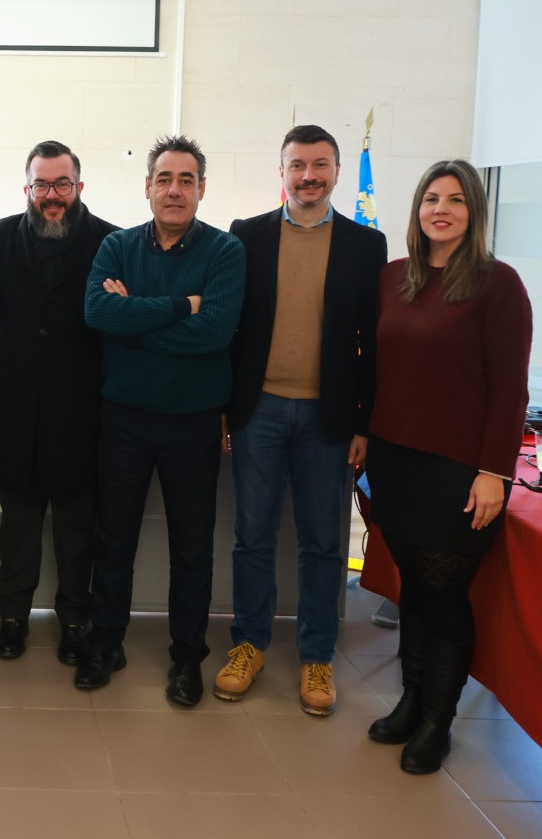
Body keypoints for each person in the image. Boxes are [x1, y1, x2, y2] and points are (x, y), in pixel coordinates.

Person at [366, 158, 532, 774]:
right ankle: (411, 701)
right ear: (418, 209)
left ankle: (438, 720)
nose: (441, 209)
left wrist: (495, 472)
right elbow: (375, 366)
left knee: (443, 593)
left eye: (456, 199)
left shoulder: (498, 284)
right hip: (394, 458)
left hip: (459, 470)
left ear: (474, 212)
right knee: (413, 587)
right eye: (431, 198)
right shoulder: (394, 277)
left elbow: (510, 389)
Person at [215, 124, 387, 715]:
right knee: (253, 537)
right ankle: (249, 644)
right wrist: (226, 410)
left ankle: (317, 654)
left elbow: (373, 342)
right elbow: (231, 328)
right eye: (297, 165)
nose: (308, 176)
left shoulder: (366, 245)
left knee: (322, 542)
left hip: (329, 417)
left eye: (320, 165)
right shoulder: (247, 235)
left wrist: (364, 424)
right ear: (282, 172)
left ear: (336, 171)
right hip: (258, 409)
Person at [76, 135, 245, 707]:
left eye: (186, 180)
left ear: (201, 189)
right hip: (123, 419)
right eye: (165, 179)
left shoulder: (224, 252)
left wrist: (133, 323)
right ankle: (106, 642)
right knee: (114, 536)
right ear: (147, 186)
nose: (175, 190)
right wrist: (181, 306)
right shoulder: (117, 246)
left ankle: (187, 657)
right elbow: (98, 312)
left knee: (192, 545)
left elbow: (214, 332)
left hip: (193, 424)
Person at [0, 141, 118, 664]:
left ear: (79, 187)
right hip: (14, 409)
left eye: (62, 184)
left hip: (81, 412)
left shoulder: (111, 241)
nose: (52, 195)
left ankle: (75, 622)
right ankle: (12, 618)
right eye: (42, 184)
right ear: (27, 188)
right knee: (18, 525)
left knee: (78, 529)